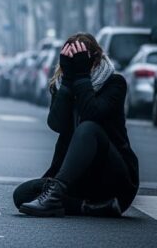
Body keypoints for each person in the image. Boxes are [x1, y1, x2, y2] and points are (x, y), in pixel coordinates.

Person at [14, 33, 139, 217]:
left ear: (94, 59)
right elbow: (56, 124)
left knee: (88, 128)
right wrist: (67, 81)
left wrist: (82, 75)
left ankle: (56, 194)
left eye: (80, 60)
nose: (76, 65)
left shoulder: (115, 83)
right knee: (22, 195)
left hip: (114, 181)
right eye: (71, 61)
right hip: (79, 180)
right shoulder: (63, 85)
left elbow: (92, 113)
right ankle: (88, 207)